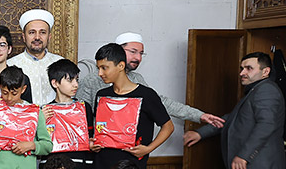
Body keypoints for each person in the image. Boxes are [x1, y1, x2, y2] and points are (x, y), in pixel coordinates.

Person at [88, 43, 174, 169]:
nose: (100, 73)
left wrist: (149, 148)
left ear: (121, 66)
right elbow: (100, 129)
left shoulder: (146, 95)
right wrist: (93, 142)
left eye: (104, 68)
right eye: (99, 68)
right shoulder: (102, 95)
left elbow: (168, 126)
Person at [77, 32, 225, 128]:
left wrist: (199, 115)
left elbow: (162, 103)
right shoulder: (92, 80)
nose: (138, 58)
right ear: (118, 52)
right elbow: (81, 117)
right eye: (133, 52)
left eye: (141, 53)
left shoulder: (137, 79)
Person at [44, 58, 94, 169]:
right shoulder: (45, 110)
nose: (75, 85)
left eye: (77, 80)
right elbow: (39, 145)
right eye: (70, 80)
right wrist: (40, 121)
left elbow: (89, 147)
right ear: (55, 83)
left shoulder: (84, 108)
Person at [7, 9, 64, 106]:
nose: (37, 37)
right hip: (23, 119)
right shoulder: (10, 65)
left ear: (49, 37)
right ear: (24, 37)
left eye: (42, 32)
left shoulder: (61, 63)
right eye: (32, 32)